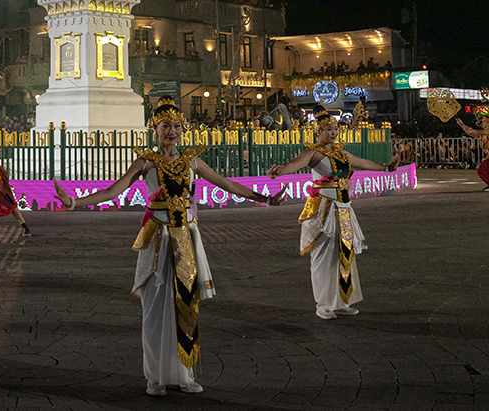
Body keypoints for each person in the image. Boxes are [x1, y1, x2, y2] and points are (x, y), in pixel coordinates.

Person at [53, 97, 285, 397]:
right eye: (166, 127)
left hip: (186, 238)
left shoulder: (192, 161)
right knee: (153, 308)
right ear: (155, 128)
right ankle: (155, 377)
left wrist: (263, 198)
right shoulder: (146, 162)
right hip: (158, 239)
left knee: (187, 306)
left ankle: (184, 374)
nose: (172, 132)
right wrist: (74, 202)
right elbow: (114, 190)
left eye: (177, 126)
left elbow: (225, 183)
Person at [267, 105, 399, 320]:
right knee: (323, 256)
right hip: (324, 210)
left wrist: (387, 167)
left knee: (345, 254)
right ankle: (323, 304)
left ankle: (342, 300)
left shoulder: (342, 153)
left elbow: (363, 162)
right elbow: (292, 165)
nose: (333, 132)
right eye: (328, 129)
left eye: (335, 129)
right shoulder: (312, 153)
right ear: (318, 131)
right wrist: (277, 172)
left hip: (344, 208)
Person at [456, 116, 489, 190]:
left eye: (484, 121)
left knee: (483, 168)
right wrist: (461, 124)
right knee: (482, 169)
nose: (482, 123)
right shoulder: (483, 132)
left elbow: (475, 132)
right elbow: (470, 132)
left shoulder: (487, 131)